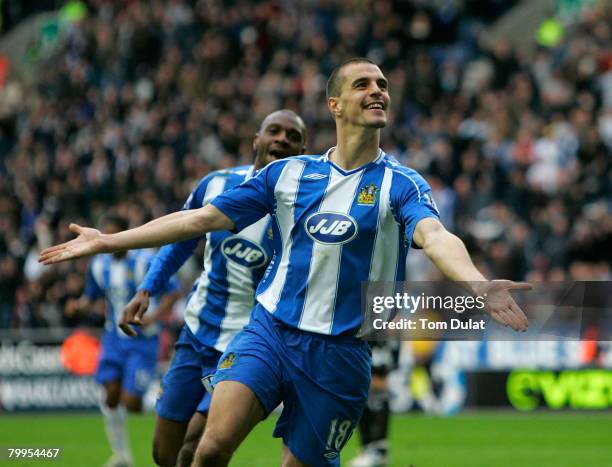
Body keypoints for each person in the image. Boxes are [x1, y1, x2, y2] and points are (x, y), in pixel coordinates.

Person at [40, 58, 530, 467]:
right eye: (364, 84)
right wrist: (109, 241)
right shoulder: (289, 174)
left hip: (341, 353)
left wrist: (476, 284)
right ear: (334, 105)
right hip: (269, 333)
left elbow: (435, 235)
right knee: (208, 448)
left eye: (383, 84)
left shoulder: (400, 183)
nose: (378, 91)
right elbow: (199, 220)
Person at [117, 110, 307, 467]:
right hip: (197, 332)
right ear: (256, 140)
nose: (282, 139)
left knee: (197, 448)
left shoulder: (302, 208)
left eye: (293, 136)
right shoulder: (216, 184)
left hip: (250, 344)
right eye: (275, 131)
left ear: (302, 151)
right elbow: (179, 241)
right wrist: (146, 289)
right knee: (164, 452)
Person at [64, 214, 180, 467]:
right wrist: (78, 306)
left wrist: (154, 318)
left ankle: (173, 403)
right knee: (110, 396)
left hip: (142, 339)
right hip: (113, 338)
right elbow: (92, 296)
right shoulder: (99, 264)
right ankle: (122, 456)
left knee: (132, 403)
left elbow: (173, 291)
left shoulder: (145, 261)